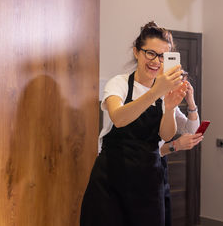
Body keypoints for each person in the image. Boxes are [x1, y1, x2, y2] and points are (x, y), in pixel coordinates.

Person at [80, 21, 188, 226]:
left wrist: (171, 106)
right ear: (137, 52)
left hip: (148, 181)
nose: (156, 61)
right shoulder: (119, 83)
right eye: (150, 53)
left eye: (163, 56)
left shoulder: (166, 90)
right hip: (110, 179)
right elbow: (119, 118)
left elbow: (166, 135)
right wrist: (156, 92)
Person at [159, 79, 203, 226]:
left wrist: (191, 101)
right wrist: (175, 145)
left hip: (159, 165)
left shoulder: (172, 106)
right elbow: (145, 151)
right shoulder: (148, 101)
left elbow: (192, 130)